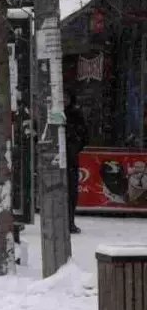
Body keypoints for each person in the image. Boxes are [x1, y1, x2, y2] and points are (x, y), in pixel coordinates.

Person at [65, 94, 88, 234]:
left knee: (71, 192)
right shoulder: (53, 112)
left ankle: (70, 221)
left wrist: (74, 149)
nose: (64, 99)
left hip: (70, 159)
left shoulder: (76, 114)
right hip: (57, 158)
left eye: (66, 97)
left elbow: (84, 135)